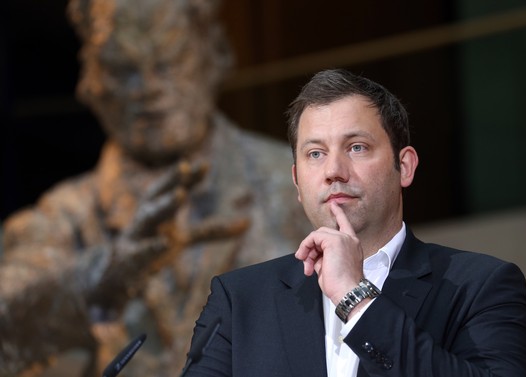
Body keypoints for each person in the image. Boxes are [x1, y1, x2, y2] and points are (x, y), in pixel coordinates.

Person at [0, 0, 310, 376]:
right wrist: (98, 278)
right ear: (91, 82)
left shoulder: (300, 186)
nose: (147, 88)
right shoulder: (63, 219)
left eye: (168, 61)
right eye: (122, 69)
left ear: (214, 56)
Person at [183, 69, 526, 377]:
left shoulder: (481, 286)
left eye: (357, 147)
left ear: (405, 167)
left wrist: (356, 297)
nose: (334, 171)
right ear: (296, 181)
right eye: (315, 154)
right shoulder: (239, 300)